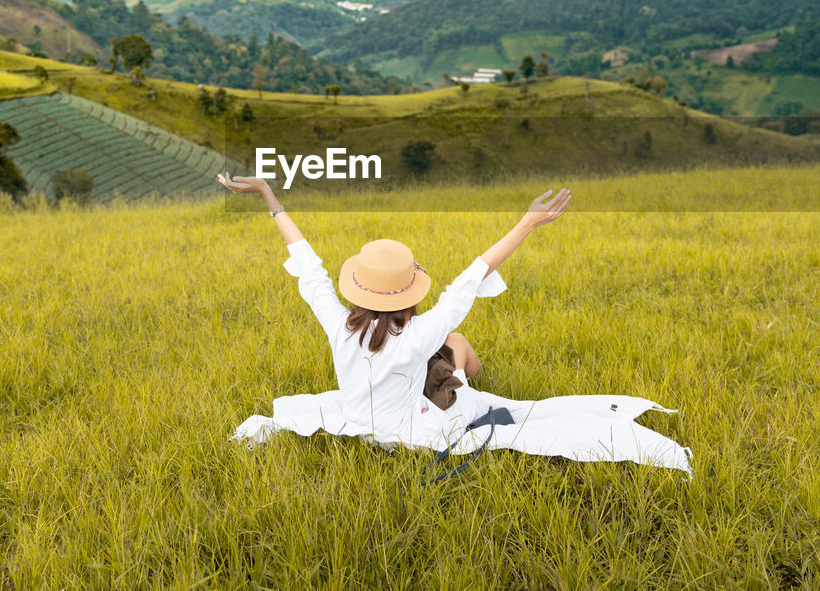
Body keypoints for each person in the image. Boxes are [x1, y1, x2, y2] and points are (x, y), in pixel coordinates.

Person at [219, 172, 692, 475]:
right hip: (417, 430)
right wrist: (526, 224)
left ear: (359, 289)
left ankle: (466, 377)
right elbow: (473, 276)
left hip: (361, 420)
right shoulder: (420, 334)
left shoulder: (338, 323)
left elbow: (308, 264)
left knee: (447, 347)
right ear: (408, 296)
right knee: (459, 345)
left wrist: (268, 195)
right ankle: (474, 379)